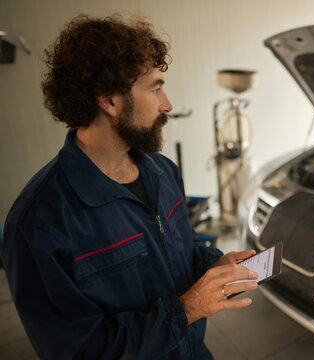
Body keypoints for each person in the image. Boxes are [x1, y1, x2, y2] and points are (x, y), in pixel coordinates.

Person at [1, 14, 259, 360]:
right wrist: (185, 311)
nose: (167, 104)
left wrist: (213, 265)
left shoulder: (162, 172)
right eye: (155, 87)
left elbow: (178, 253)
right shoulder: (39, 224)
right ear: (109, 100)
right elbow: (79, 352)